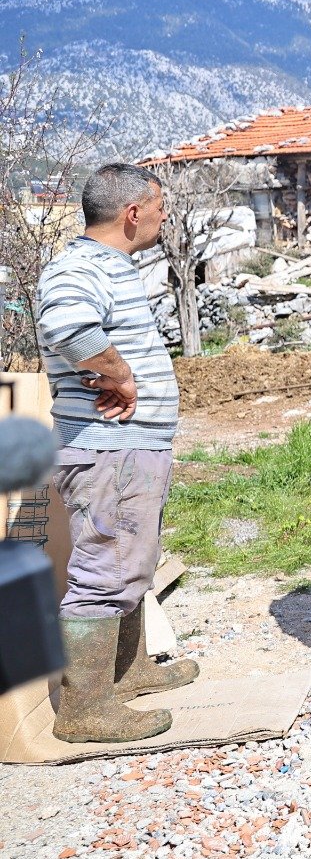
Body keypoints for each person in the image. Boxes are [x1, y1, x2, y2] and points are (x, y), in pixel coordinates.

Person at [36, 163, 197, 744]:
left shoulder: (106, 266)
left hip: (128, 449)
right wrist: (121, 374)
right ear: (132, 213)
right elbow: (66, 326)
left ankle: (124, 677)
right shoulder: (77, 267)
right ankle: (85, 710)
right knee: (106, 571)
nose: (163, 215)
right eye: (158, 206)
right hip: (110, 449)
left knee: (132, 562)